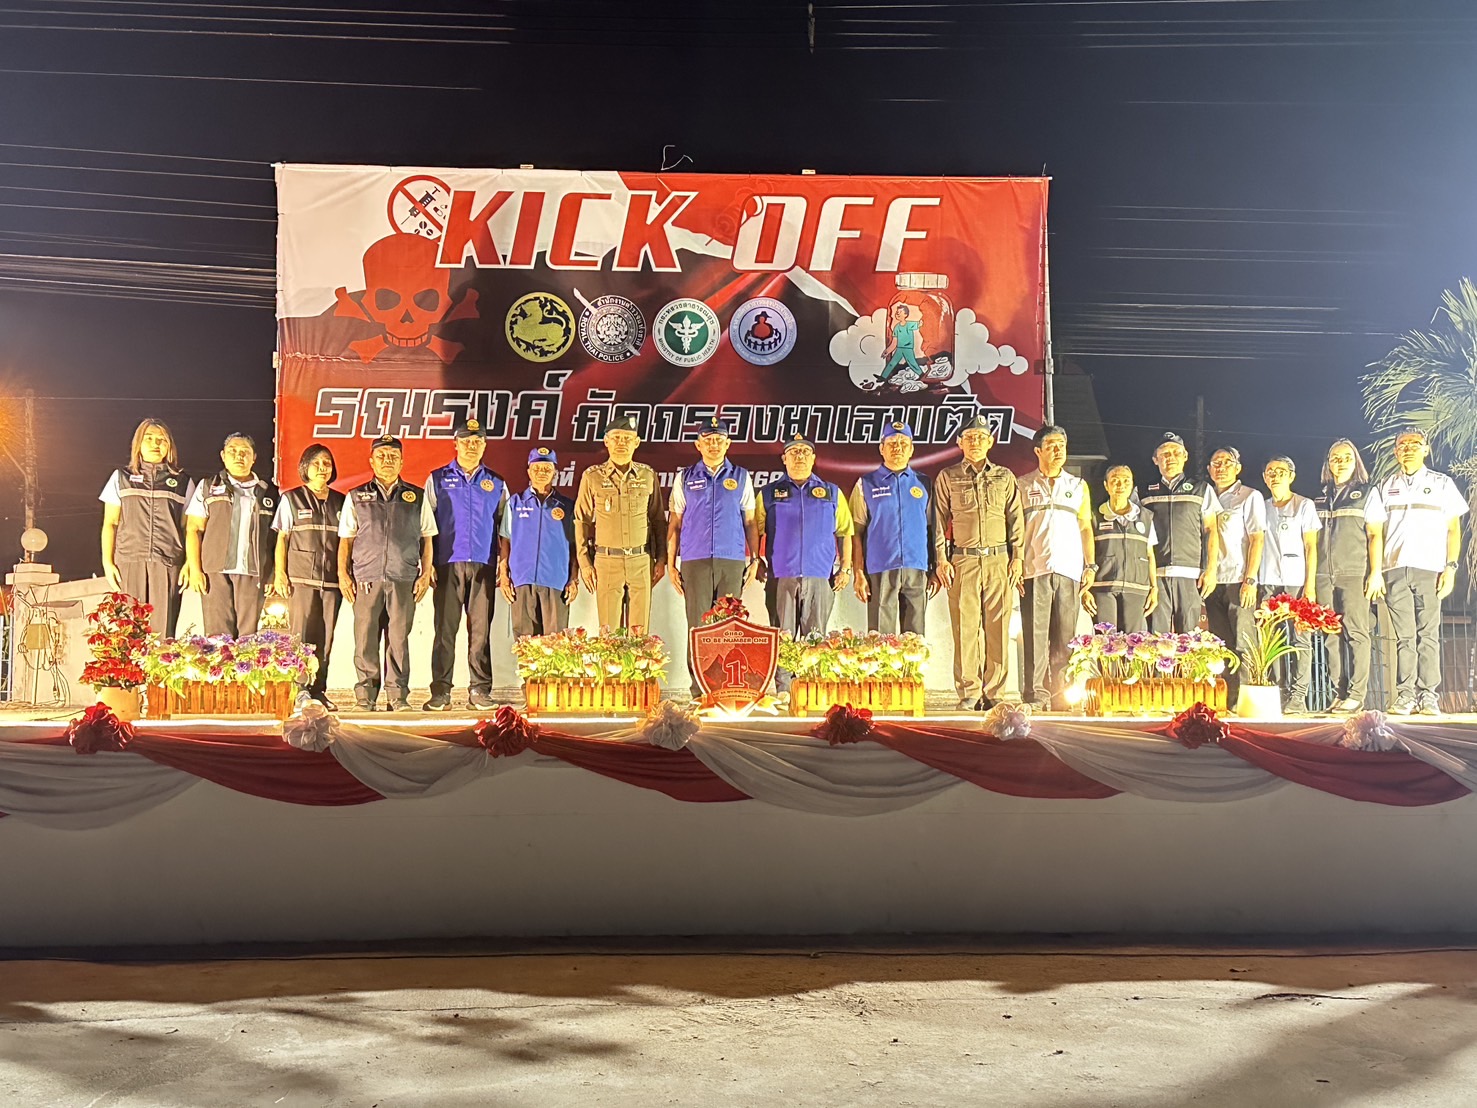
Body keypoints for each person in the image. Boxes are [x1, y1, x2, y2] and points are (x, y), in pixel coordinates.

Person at [1369, 429, 1468, 715]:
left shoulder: (1441, 483)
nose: (1408, 448)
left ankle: (1428, 695)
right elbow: (1374, 533)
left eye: (1415, 444)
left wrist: (1450, 568)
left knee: (1428, 634)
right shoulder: (1384, 486)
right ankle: (1405, 695)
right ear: (1396, 452)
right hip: (1394, 569)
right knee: (1405, 637)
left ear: (1426, 449)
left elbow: (1453, 529)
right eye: (1403, 445)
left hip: (1429, 569)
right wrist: (1375, 572)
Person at [930, 414, 1023, 711]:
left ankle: (995, 693)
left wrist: (1018, 558)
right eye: (970, 438)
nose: (976, 442)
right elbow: (938, 521)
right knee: (965, 629)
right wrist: (941, 559)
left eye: (981, 437)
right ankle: (969, 692)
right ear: (960, 443)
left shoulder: (1004, 476)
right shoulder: (948, 476)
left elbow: (1015, 519)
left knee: (998, 628)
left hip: (998, 561)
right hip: (963, 561)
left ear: (991, 442)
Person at [337, 435, 436, 712]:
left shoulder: (416, 497)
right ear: (371, 461)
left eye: (393, 456)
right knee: (365, 638)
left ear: (402, 462)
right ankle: (365, 696)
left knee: (399, 639)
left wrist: (425, 573)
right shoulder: (356, 497)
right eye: (381, 456)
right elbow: (346, 540)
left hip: (403, 577)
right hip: (366, 579)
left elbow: (427, 537)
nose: (387, 460)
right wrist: (344, 575)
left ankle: (397, 696)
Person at [667, 417, 761, 697]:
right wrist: (671, 564)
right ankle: (699, 691)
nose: (714, 445)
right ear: (698, 444)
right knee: (698, 626)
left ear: (728, 443)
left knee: (729, 626)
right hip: (694, 561)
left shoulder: (741, 476)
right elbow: (675, 522)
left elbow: (750, 522)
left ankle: (725, 688)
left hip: (731, 561)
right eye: (708, 440)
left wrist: (754, 559)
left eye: (719, 440)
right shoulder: (685, 477)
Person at [756, 434, 854, 697]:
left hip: (820, 577)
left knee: (815, 638)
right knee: (783, 637)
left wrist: (845, 568)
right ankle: (784, 691)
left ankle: (812, 690)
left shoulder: (832, 493)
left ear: (813, 458)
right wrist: (757, 560)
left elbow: (845, 532)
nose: (799, 456)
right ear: (784, 459)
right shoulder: (768, 493)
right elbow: (754, 529)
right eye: (793, 452)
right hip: (781, 576)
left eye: (805, 451)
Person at [423, 418, 507, 712]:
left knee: (480, 632)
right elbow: (426, 527)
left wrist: (504, 564)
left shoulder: (497, 483)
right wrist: (428, 564)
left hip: (484, 564)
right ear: (455, 444)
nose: (472, 446)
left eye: (478, 441)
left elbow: (505, 528)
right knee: (445, 631)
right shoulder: (437, 479)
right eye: (466, 441)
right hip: (447, 563)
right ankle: (440, 692)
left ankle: (480, 690)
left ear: (484, 445)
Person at [1018, 424, 1094, 711]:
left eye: (1061, 445)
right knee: (1034, 637)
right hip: (1033, 569)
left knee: (1065, 638)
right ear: (1038, 451)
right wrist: (1016, 563)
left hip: (1068, 570)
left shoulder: (1077, 485)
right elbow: (1015, 530)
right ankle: (1036, 696)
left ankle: (1062, 696)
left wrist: (1090, 566)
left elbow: (1085, 527)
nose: (1057, 450)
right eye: (1051, 445)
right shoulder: (1022, 484)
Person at [98, 418, 192, 635]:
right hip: (129, 560)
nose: (155, 444)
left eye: (161, 439)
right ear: (138, 443)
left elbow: (189, 528)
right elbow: (110, 523)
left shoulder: (183, 482)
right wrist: (107, 562)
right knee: (129, 631)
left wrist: (189, 563)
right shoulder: (121, 478)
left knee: (163, 633)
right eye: (148, 438)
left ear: (169, 446)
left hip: (167, 562)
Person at [574, 414, 667, 631]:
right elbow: (581, 520)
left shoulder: (647, 475)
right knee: (609, 634)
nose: (621, 443)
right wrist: (584, 562)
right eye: (616, 437)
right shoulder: (592, 477)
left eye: (627, 438)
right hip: (607, 562)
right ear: (606, 441)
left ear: (637, 442)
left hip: (640, 560)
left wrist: (661, 559)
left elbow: (658, 520)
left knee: (640, 634)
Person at [184, 432, 279, 638]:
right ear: (223, 455)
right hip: (214, 572)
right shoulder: (208, 486)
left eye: (245, 452)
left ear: (254, 458)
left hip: (253, 572)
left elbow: (276, 539)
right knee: (218, 637)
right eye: (232, 451)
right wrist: (195, 569)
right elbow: (194, 529)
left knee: (248, 637)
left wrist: (273, 574)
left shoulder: (269, 492)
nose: (239, 456)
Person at [272, 444, 344, 710]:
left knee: (326, 638)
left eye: (327, 463)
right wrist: (280, 573)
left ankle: (318, 690)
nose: (322, 468)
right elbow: (282, 538)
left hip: (332, 582)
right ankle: (300, 689)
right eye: (316, 463)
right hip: (301, 579)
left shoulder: (342, 501)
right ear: (305, 467)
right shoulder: (292, 499)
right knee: (301, 636)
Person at [1313, 439, 1384, 713]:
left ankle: (1356, 694)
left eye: (1346, 458)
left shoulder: (1367, 493)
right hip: (1323, 575)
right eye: (1335, 458)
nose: (1340, 462)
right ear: (1327, 463)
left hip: (1354, 573)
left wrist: (1375, 573)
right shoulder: (1319, 496)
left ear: (1356, 462)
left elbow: (1375, 535)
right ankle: (1338, 693)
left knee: (1357, 633)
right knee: (1331, 635)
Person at [849, 421, 931, 634]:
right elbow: (855, 533)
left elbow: (933, 529)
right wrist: (858, 571)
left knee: (915, 640)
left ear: (911, 449)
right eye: (892, 442)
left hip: (916, 568)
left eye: (903, 443)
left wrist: (934, 567)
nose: (898, 448)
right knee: (880, 640)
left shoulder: (924, 484)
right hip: (880, 568)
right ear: (881, 448)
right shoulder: (866, 484)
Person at [1203, 446, 1266, 710]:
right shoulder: (1204, 495)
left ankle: (1245, 700)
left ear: (1238, 467)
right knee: (1221, 645)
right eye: (1215, 463)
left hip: (1238, 580)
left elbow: (1257, 539)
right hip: (1210, 581)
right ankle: (1226, 700)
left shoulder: (1250, 496)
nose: (1221, 468)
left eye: (1227, 462)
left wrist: (1250, 580)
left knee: (1243, 642)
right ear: (1208, 469)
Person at [1139, 432, 1220, 634]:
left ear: (1185, 456)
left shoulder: (1201, 489)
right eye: (1165, 453)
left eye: (1176, 452)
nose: (1171, 458)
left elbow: (1211, 529)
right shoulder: (1143, 491)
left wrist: (1211, 570)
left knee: (1189, 638)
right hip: (1155, 575)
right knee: (1156, 639)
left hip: (1191, 573)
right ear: (1155, 459)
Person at [1259, 456, 1321, 713]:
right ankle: (1277, 692)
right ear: (1265, 478)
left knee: (1300, 640)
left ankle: (1298, 696)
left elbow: (1311, 546)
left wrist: (1310, 585)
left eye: (1281, 472)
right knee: (1271, 639)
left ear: (1291, 476)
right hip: (1268, 580)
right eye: (1270, 472)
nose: (1275, 476)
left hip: (1296, 580)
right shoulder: (1261, 506)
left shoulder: (1304, 505)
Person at [498, 446, 578, 638]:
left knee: (555, 644)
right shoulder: (515, 503)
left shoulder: (567, 506)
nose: (541, 472)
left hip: (556, 582)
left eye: (547, 468)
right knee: (525, 644)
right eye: (536, 468)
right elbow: (506, 540)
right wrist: (504, 576)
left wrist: (574, 579)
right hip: (522, 581)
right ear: (529, 471)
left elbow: (575, 546)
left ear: (555, 472)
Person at [1083, 465, 1158, 634]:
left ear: (1132, 485)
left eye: (1126, 481)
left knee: (1135, 642)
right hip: (1103, 589)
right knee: (1105, 641)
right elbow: (1085, 554)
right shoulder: (1094, 517)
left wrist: (1154, 588)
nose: (1120, 485)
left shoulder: (1145, 517)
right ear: (1106, 485)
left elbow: (1150, 555)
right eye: (1115, 481)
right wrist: (1085, 590)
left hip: (1137, 588)